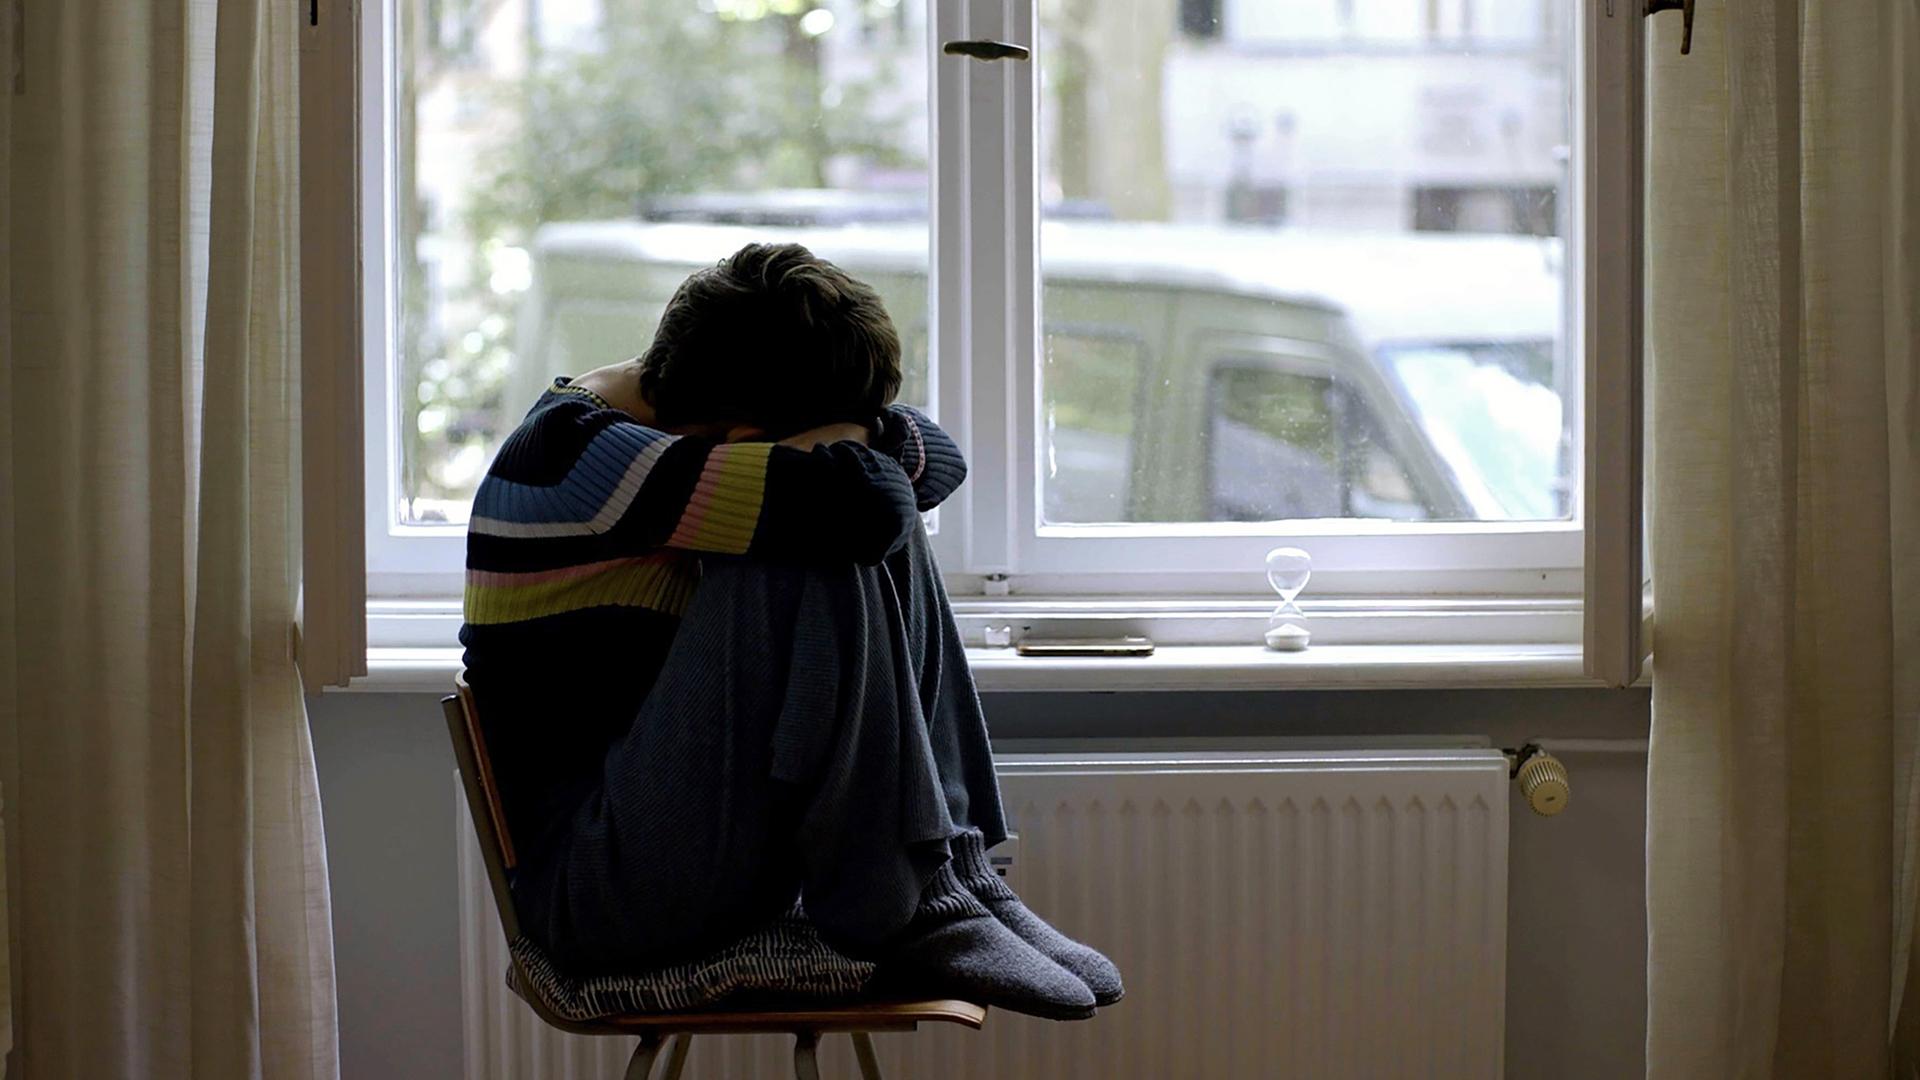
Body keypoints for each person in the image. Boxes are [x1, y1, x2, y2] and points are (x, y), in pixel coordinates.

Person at [460, 243, 1121, 1020]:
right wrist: (831, 455)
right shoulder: (575, 455)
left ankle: (954, 873)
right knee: (818, 528)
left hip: (694, 843)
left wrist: (831, 442)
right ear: (736, 427)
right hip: (598, 892)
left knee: (834, 513)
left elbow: (937, 458)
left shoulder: (674, 416)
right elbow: (871, 499)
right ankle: (910, 900)